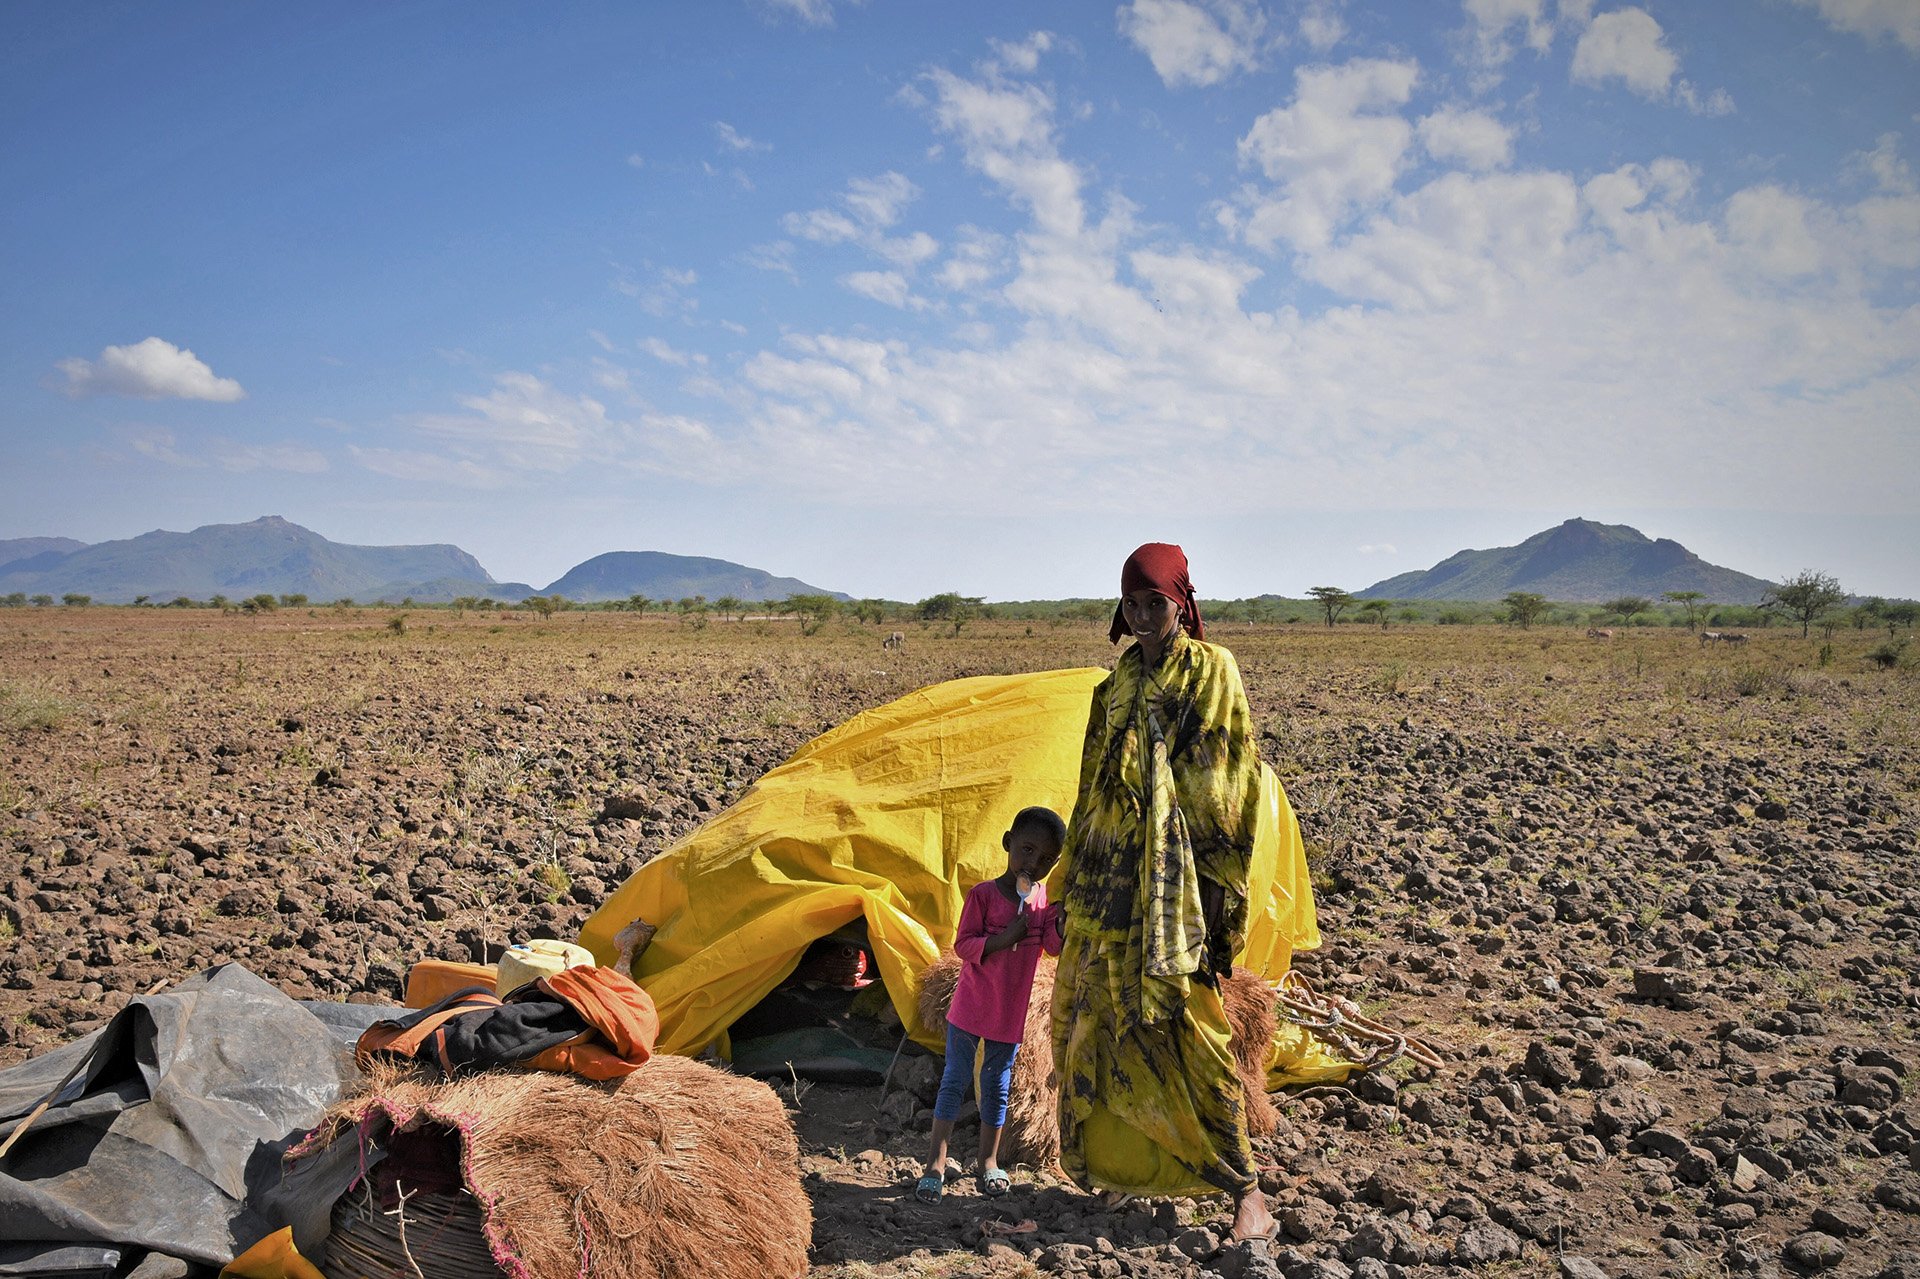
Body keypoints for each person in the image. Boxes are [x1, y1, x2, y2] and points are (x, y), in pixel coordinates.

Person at [1050, 542, 1275, 1242]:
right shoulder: (1110, 688)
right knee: (1100, 1028)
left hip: (1175, 895)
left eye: (1156, 602)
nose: (1144, 616)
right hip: (1108, 888)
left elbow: (1225, 782)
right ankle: (1131, 1174)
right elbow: (1090, 791)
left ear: (1182, 601)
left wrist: (1215, 896)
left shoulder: (1212, 671)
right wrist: (1071, 886)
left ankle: (1245, 1191)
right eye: (1132, 603)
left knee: (1192, 1033)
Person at [917, 806, 1067, 1203]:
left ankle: (988, 1161)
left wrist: (1061, 921)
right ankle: (936, 1161)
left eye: (1046, 860)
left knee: (997, 1086)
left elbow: (1052, 946)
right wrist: (1003, 938)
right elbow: (963, 945)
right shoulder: (982, 895)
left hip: (1009, 1014)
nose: (1033, 864)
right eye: (1027, 851)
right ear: (1007, 844)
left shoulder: (1041, 901)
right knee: (955, 1079)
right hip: (971, 1008)